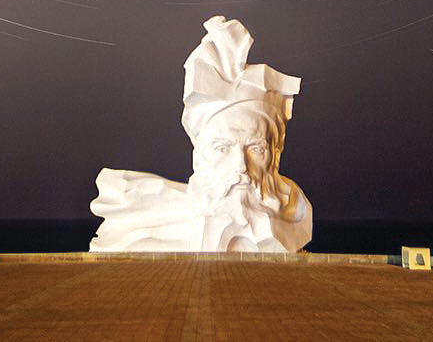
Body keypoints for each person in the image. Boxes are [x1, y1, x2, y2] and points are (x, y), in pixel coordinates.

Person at [89, 16, 312, 253]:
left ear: (275, 156)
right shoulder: (142, 224)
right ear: (198, 159)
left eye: (256, 148)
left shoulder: (297, 212)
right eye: (222, 149)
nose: (241, 167)